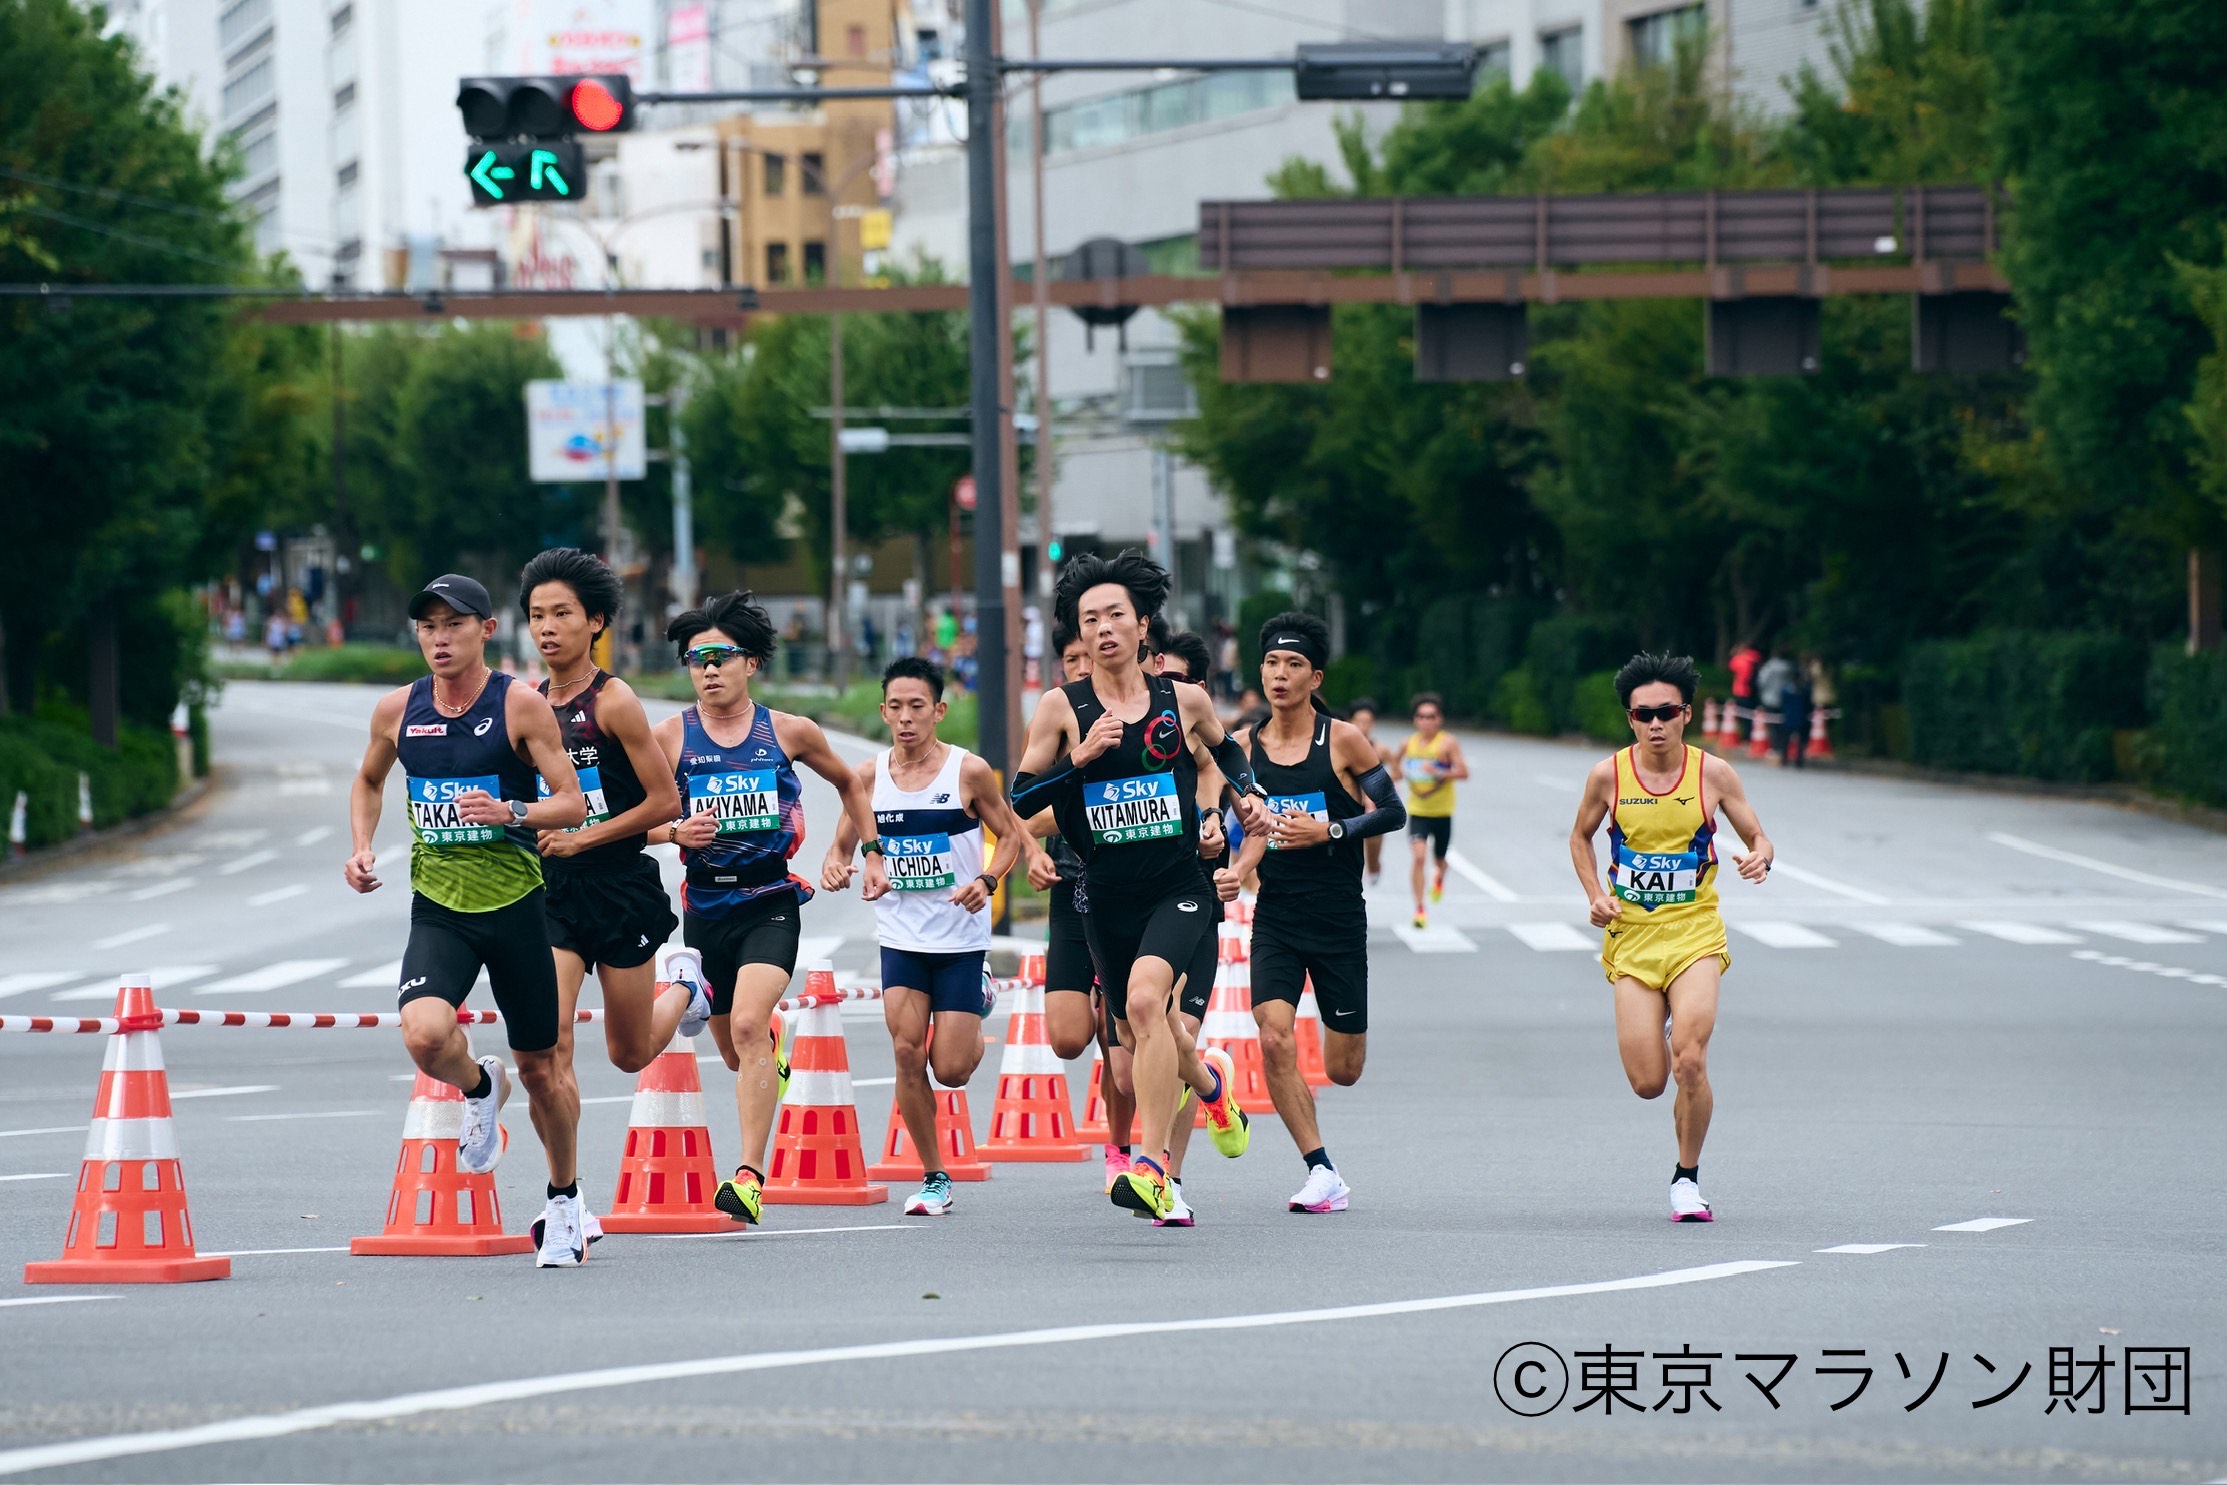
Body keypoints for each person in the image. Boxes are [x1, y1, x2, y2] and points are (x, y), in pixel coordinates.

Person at [1011, 550, 1270, 1222]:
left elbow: (1227, 748)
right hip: (1103, 894)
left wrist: (1246, 796)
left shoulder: (1181, 698)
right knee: (1140, 1035)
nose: (1102, 628)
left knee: (1148, 1003)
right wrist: (1080, 757)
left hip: (1177, 884)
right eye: (1089, 618)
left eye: (1114, 616)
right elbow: (1019, 795)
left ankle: (1151, 1165)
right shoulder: (1059, 707)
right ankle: (1213, 1087)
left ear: (1142, 623)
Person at [343, 573, 592, 1268]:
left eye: (453, 624)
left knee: (543, 1070)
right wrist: (361, 846)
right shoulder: (398, 709)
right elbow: (368, 780)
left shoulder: (519, 706)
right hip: (441, 908)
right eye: (427, 626)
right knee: (424, 1035)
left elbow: (571, 803)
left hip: (517, 907)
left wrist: (512, 810)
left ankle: (566, 1199)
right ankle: (481, 1088)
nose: (438, 637)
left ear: (485, 629)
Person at [651, 590, 890, 1227]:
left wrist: (870, 851)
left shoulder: (787, 731)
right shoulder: (669, 737)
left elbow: (850, 782)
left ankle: (750, 1177)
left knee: (751, 1026)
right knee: (736, 1051)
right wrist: (672, 833)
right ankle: (772, 1053)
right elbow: (622, 822)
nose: (707, 669)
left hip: (769, 900)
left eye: (721, 657)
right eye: (696, 659)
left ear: (750, 663)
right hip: (704, 906)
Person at [519, 550, 706, 1248]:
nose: (547, 627)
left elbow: (665, 800)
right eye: (537, 615)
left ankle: (685, 986)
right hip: (553, 891)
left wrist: (588, 834)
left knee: (628, 1054)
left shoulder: (614, 701)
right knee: (547, 1047)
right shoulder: (527, 703)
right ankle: (566, 1197)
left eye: (562, 613)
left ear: (594, 621)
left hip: (620, 888)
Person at [1567, 652, 1775, 1223]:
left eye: (1666, 712)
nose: (1654, 723)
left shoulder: (1713, 773)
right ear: (1629, 720)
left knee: (1690, 1060)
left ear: (1687, 713)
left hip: (1694, 935)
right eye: (1642, 715)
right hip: (1632, 938)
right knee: (1648, 1083)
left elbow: (1757, 833)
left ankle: (1687, 1179)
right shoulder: (1608, 774)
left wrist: (1760, 857)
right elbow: (1580, 839)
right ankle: (1661, 1021)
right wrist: (1596, 895)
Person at [1219, 613, 1405, 1212]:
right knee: (1273, 1037)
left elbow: (1392, 811)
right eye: (1272, 662)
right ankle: (1320, 1169)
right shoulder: (1243, 748)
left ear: (1314, 675)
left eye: (1293, 664)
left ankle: (1325, 1160)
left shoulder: (1343, 739)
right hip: (1276, 913)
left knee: (1344, 1067)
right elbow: (1232, 820)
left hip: (1339, 917)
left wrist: (1332, 828)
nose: (1279, 674)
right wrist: (1230, 862)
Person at [824, 657, 1023, 1216]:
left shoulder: (969, 772)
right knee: (908, 1053)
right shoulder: (866, 779)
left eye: (918, 707)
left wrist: (987, 879)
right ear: (884, 710)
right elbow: (840, 848)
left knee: (951, 1068)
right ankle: (935, 1175)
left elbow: (1009, 836)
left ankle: (979, 997)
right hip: (901, 937)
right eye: (896, 707)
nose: (906, 718)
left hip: (960, 940)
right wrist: (840, 867)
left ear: (939, 710)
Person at [1021, 620, 1139, 1192]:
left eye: (1088, 656)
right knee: (1068, 1039)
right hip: (1071, 890)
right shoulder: (1055, 721)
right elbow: (1022, 806)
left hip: (1125, 890)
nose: (1082, 665)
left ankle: (1120, 1148)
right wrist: (1026, 854)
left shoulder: (1132, 722)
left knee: (1122, 1053)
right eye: (1072, 657)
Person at [1146, 627, 1244, 1227]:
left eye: (1178, 682)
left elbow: (1255, 821)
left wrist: (1238, 870)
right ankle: (1212, 1085)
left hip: (1193, 905)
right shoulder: (1126, 740)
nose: (1166, 693)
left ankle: (1168, 1178)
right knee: (1145, 1047)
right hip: (1131, 906)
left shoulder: (1209, 752)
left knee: (1173, 1024)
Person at [1399, 693, 1468, 929]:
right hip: (1418, 811)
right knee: (1418, 857)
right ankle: (1419, 909)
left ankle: (1439, 877)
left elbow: (1463, 772)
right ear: (1415, 720)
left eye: (1431, 717)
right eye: (1421, 717)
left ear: (1439, 719)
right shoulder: (1407, 744)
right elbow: (1397, 769)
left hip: (1442, 812)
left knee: (1440, 860)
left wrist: (1439, 771)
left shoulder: (1447, 743)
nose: (1426, 721)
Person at [1344, 698, 1394, 887]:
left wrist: (1386, 785)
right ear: (1350, 721)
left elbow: (1397, 771)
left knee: (1374, 836)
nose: (1363, 726)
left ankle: (1373, 865)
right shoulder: (1341, 747)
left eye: (1367, 722)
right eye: (1358, 721)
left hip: (1372, 802)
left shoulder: (1381, 750)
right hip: (1349, 801)